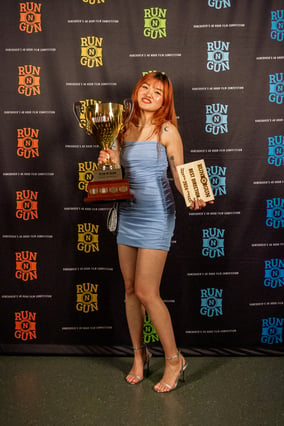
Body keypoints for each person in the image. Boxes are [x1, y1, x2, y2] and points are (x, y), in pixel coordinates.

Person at [98, 71, 208, 393]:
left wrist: (192, 193)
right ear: (136, 90)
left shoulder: (168, 131)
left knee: (148, 291)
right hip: (129, 213)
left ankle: (174, 359)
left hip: (157, 216)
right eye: (144, 87)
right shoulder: (121, 126)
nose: (148, 94)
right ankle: (139, 355)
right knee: (130, 288)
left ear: (165, 100)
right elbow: (116, 170)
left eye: (157, 92)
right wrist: (107, 161)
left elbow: (177, 174)